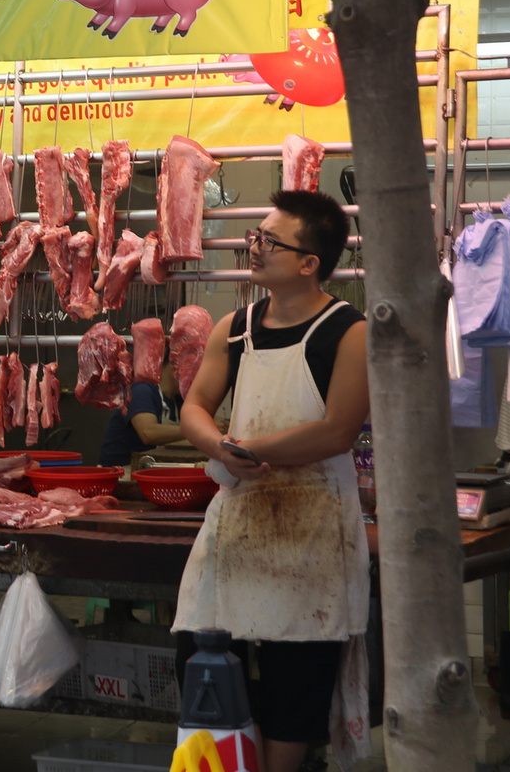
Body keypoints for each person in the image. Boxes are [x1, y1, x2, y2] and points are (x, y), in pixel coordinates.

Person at [172, 191, 370, 772]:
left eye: (268, 241)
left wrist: (246, 449)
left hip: (311, 531)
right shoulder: (234, 329)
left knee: (296, 682)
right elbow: (194, 407)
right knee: (202, 657)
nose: (253, 248)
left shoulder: (348, 331)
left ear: (309, 262)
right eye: (255, 237)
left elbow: (337, 431)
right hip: (235, 525)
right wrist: (218, 447)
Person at [99, 361, 184, 468]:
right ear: (175, 365)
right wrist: (195, 432)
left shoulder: (179, 400)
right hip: (120, 474)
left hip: (150, 470)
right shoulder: (141, 390)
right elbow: (148, 433)